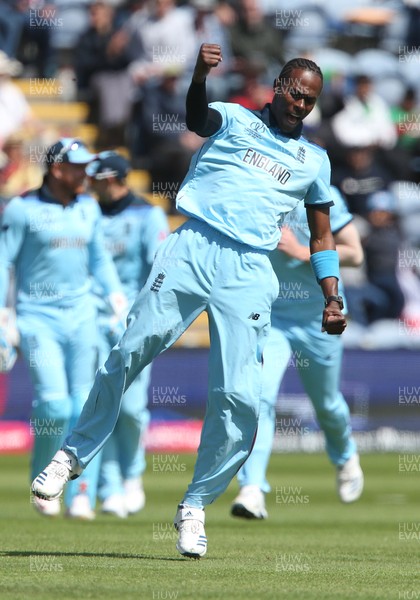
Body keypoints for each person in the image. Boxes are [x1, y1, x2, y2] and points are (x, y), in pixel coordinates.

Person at [31, 44, 346, 558]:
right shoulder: (235, 119)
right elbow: (196, 115)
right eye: (295, 95)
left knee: (241, 397)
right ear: (278, 88)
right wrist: (199, 73)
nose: (301, 107)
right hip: (194, 247)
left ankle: (195, 505)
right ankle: (71, 456)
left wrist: (331, 296)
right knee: (129, 351)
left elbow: (321, 235)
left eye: (310, 101)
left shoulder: (315, 160)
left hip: (250, 269)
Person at [0, 138, 126, 519]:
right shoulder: (22, 209)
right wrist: (3, 318)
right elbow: (4, 261)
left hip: (83, 315)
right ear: (56, 169)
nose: (85, 174)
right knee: (54, 407)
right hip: (38, 318)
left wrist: (117, 299)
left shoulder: (88, 207)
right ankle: (42, 482)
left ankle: (80, 493)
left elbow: (99, 260)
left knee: (83, 404)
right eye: (77, 167)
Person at [231, 187, 365, 520]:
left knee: (327, 403)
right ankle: (252, 489)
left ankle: (345, 455)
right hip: (274, 315)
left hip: (319, 316)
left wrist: (303, 252)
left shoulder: (324, 193)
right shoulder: (260, 190)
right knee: (260, 396)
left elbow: (355, 254)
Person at [86, 150, 169, 518]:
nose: (87, 184)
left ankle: (132, 475)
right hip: (89, 318)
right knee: (98, 403)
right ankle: (107, 486)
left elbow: (159, 266)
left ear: (110, 179)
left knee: (132, 408)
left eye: (95, 178)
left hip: (133, 322)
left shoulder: (148, 214)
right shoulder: (85, 213)